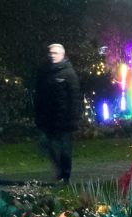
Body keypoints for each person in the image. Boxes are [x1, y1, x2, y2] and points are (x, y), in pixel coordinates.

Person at [33, 43, 82, 184]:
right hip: (50, 118)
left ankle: (65, 175)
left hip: (65, 119)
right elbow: (40, 96)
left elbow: (74, 96)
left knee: (64, 149)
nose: (52, 55)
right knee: (49, 145)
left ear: (62, 54)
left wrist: (74, 117)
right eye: (51, 53)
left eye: (55, 53)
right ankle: (60, 172)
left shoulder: (68, 73)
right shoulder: (46, 72)